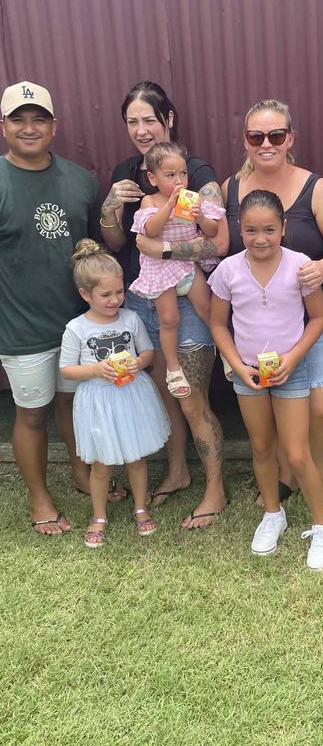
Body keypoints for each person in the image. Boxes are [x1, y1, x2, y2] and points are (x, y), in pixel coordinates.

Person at [0, 79, 127, 535]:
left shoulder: (80, 180)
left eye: (39, 120)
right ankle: (39, 497)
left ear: (54, 126)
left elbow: (96, 249)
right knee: (32, 413)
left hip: (79, 325)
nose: (29, 128)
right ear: (4, 126)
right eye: (19, 120)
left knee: (74, 405)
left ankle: (79, 471)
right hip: (21, 326)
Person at [100, 81, 229, 529]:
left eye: (148, 120)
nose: (140, 130)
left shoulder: (196, 172)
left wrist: (166, 253)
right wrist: (110, 207)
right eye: (132, 122)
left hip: (189, 298)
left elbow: (219, 243)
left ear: (168, 118)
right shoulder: (128, 172)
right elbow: (118, 243)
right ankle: (177, 470)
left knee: (192, 396)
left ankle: (215, 489)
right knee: (165, 391)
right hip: (145, 298)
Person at [222, 99, 323, 515]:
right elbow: (212, 245)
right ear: (245, 141)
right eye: (255, 136)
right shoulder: (229, 189)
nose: (266, 144)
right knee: (271, 409)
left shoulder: (315, 187)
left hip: (315, 322)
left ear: (290, 139)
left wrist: (322, 268)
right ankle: (285, 477)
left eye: (276, 135)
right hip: (257, 326)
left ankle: (317, 479)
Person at [209, 189, 323, 569]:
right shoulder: (228, 270)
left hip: (290, 371)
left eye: (269, 229)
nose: (260, 239)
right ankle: (272, 514)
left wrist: (293, 358)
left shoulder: (301, 266)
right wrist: (235, 364)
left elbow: (317, 319)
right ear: (239, 229)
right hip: (246, 374)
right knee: (262, 446)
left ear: (283, 228)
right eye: (250, 231)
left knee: (297, 453)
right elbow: (218, 323)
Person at [59, 241, 170, 547]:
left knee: (136, 457)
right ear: (85, 294)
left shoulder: (130, 319)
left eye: (119, 292)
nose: (114, 300)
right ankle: (99, 515)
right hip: (98, 400)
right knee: (101, 463)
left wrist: (139, 362)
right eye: (105, 295)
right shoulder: (76, 328)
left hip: (131, 395)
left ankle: (140, 507)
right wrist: (95, 370)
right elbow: (66, 369)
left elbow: (148, 351)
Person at [130, 141, 226, 398]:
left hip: (186, 266)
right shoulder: (149, 201)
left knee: (207, 308)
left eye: (182, 173)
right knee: (169, 318)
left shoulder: (193, 199)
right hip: (160, 269)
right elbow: (150, 230)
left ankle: (227, 352)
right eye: (170, 175)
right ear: (153, 177)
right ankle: (173, 369)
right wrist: (169, 206)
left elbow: (214, 231)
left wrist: (200, 218)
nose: (179, 180)